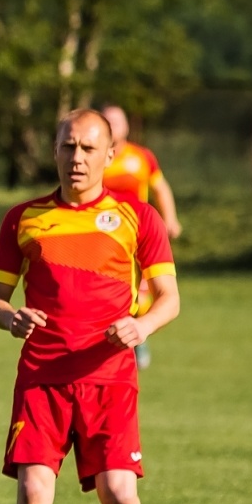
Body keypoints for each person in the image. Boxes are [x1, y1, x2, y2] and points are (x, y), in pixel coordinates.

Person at [0, 108, 180, 504]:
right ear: (53, 150)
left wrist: (140, 326)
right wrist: (10, 317)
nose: (77, 158)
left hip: (109, 380)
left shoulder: (138, 217)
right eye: (68, 146)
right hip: (42, 378)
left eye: (89, 149)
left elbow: (169, 300)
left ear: (110, 155)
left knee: (121, 498)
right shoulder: (23, 218)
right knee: (32, 493)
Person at [100, 105, 181, 369]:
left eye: (117, 121)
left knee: (147, 291)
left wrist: (170, 218)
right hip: (103, 238)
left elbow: (161, 187)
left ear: (126, 126)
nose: (113, 126)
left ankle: (138, 334)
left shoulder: (142, 157)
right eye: (107, 121)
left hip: (138, 236)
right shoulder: (95, 159)